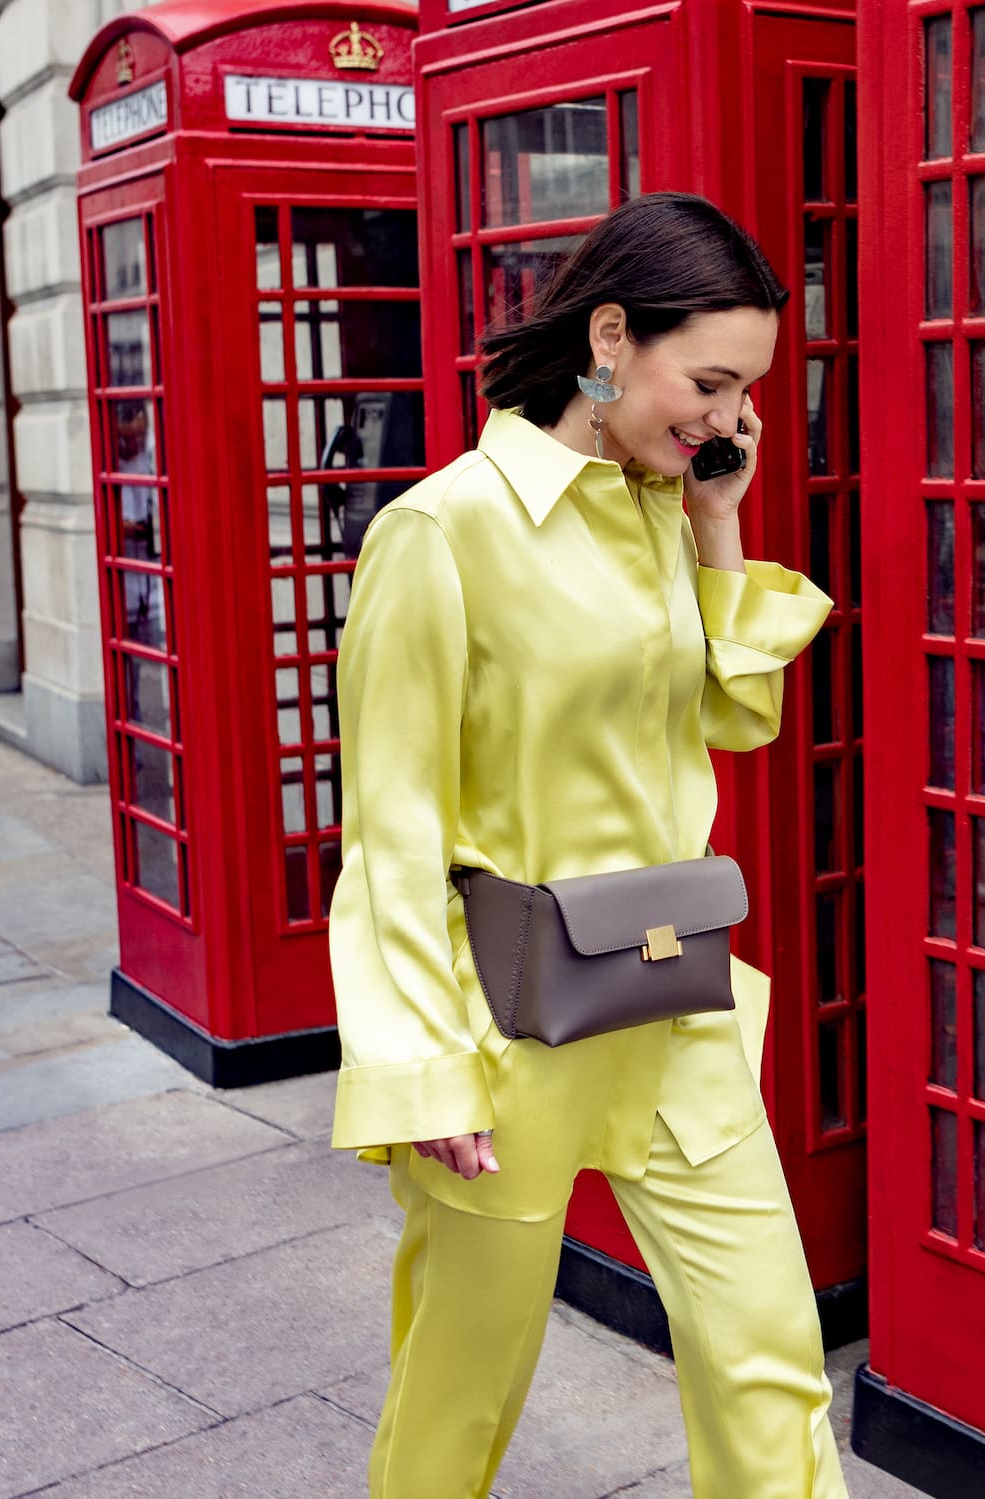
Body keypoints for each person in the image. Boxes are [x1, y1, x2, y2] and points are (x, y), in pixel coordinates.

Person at [327, 193, 847, 1499]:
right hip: (508, 1022)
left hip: (672, 996)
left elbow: (738, 715)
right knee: (467, 1378)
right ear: (610, 338)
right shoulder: (444, 533)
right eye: (711, 383)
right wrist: (419, 1063)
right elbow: (389, 824)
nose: (726, 420)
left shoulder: (660, 509)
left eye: (748, 396)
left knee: (769, 1351)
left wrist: (722, 525)